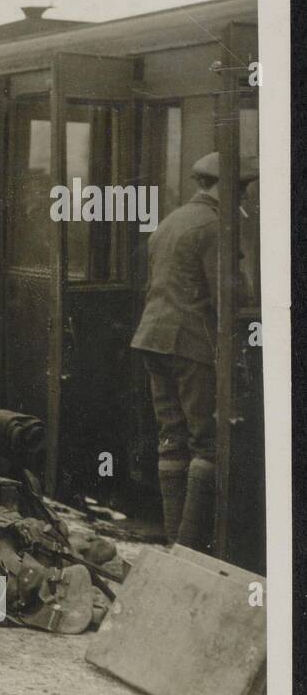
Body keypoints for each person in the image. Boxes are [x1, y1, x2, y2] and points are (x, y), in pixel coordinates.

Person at [130, 151, 221, 551]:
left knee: (171, 437)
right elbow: (227, 295)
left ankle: (173, 543)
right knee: (206, 441)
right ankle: (188, 549)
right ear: (224, 186)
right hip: (191, 344)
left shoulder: (169, 222)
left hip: (153, 338)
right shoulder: (215, 226)